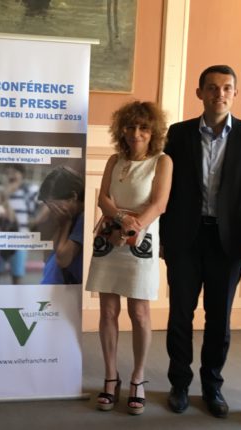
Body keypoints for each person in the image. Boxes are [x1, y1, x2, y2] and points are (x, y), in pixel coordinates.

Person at [160, 65, 241, 418]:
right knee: (180, 314)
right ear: (200, 93)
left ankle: (212, 386)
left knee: (219, 318)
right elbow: (167, 190)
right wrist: (164, 237)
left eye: (226, 88)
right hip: (185, 238)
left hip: (230, 239)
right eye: (211, 87)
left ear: (234, 93)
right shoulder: (179, 134)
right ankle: (179, 383)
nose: (219, 93)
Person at [86, 101, 172, 415]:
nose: (136, 133)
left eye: (144, 128)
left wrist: (133, 228)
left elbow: (159, 204)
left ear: (153, 132)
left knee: (140, 313)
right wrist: (122, 220)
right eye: (131, 126)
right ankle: (111, 377)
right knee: (108, 311)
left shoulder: (162, 161)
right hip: (110, 238)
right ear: (122, 129)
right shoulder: (114, 159)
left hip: (141, 241)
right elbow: (103, 199)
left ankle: (137, 378)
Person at [38, 166, 85, 285]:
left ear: (73, 197)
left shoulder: (82, 219)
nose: (54, 212)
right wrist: (62, 224)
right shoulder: (71, 216)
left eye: (56, 206)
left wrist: (65, 224)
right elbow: (47, 256)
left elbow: (62, 260)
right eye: (50, 207)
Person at [2, 164, 40, 284]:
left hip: (21, 237)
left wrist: (36, 220)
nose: (11, 176)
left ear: (22, 175)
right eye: (8, 173)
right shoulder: (3, 192)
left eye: (14, 172)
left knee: (17, 274)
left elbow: (44, 205)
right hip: (2, 237)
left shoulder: (30, 190)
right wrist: (6, 195)